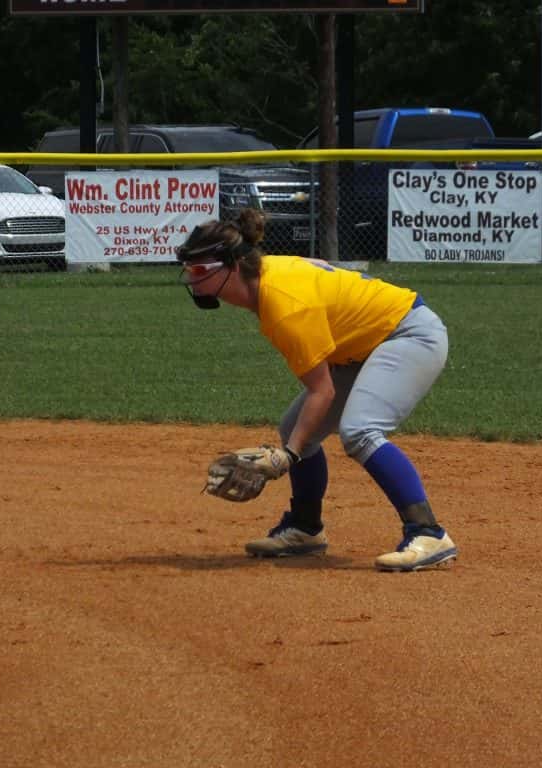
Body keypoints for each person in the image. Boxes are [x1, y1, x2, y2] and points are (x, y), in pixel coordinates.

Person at [177, 208, 456, 572]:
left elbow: (321, 392)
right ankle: (305, 529)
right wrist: (293, 444)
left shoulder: (283, 305)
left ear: (232, 266)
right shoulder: (265, 275)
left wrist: (288, 456)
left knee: (360, 430)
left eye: (199, 269)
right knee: (295, 427)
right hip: (366, 343)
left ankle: (428, 532)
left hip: (408, 334)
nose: (191, 277)